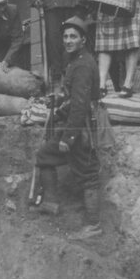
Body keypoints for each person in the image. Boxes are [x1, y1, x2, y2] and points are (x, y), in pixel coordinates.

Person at [35, 16, 102, 240]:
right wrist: (58, 111)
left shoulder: (83, 64)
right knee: (45, 155)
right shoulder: (75, 61)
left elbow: (81, 104)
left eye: (73, 36)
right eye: (65, 36)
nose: (68, 40)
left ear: (83, 39)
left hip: (82, 129)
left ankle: (92, 226)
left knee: (89, 174)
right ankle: (51, 203)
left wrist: (68, 138)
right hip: (78, 125)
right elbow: (73, 100)